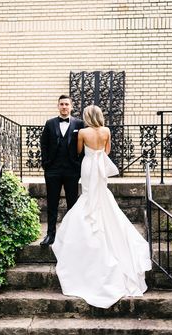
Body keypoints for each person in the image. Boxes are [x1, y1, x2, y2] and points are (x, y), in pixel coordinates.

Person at [52, 105, 152, 308]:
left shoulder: (82, 132)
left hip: (89, 166)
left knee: (88, 196)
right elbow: (107, 151)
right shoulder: (106, 131)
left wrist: (88, 152)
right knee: (102, 195)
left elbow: (79, 152)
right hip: (101, 166)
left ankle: (88, 227)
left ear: (87, 117)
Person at [40, 95, 84, 246]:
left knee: (73, 203)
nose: (64, 107)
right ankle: (50, 234)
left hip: (72, 170)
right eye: (62, 104)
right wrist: (46, 163)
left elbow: (83, 145)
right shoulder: (50, 123)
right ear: (58, 106)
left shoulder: (80, 123)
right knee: (52, 202)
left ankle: (71, 235)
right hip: (52, 169)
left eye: (67, 104)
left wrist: (79, 164)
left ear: (71, 107)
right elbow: (43, 143)